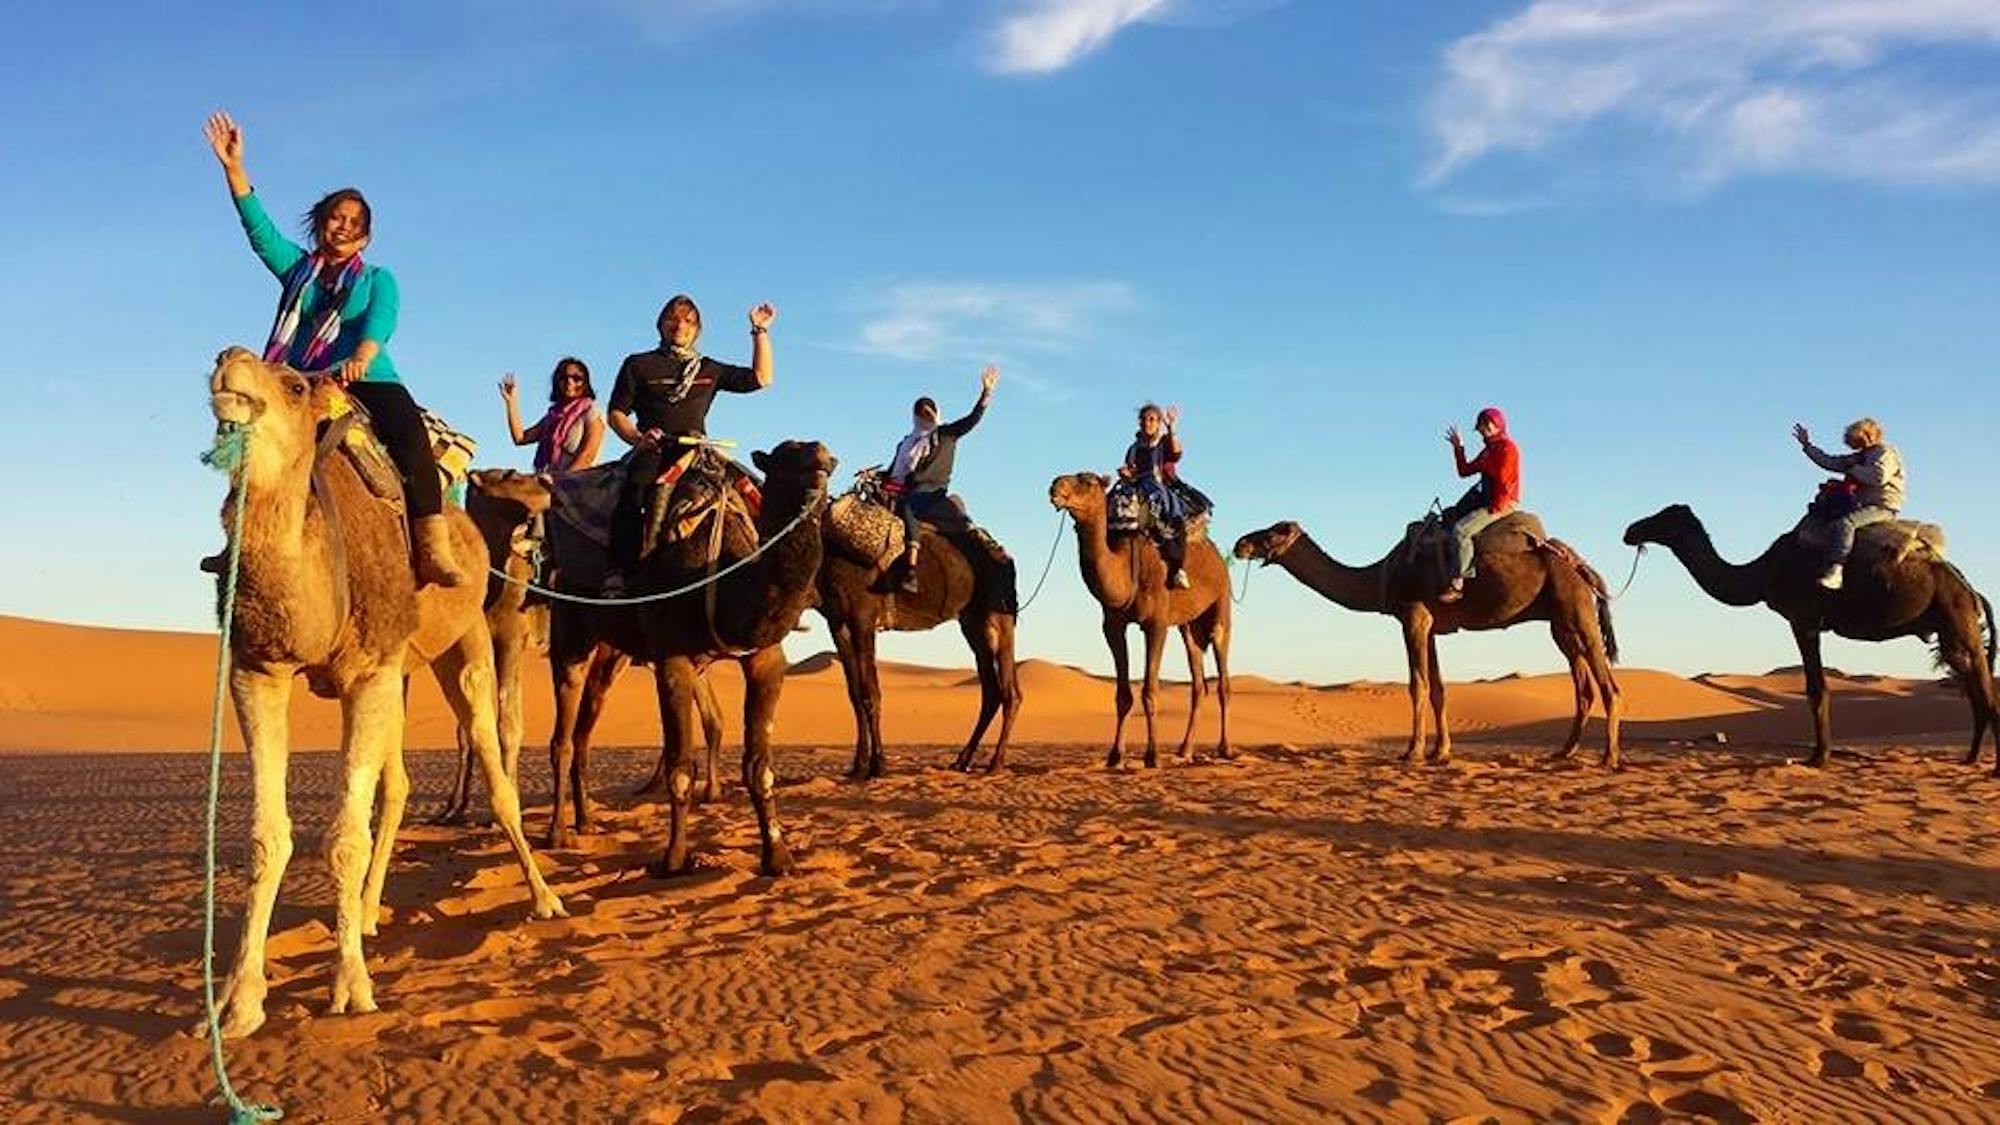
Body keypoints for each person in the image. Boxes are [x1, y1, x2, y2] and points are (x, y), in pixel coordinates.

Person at [202, 110, 464, 586]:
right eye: (335, 218)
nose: (342, 226)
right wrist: (234, 169)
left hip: (366, 379)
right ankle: (239, 543)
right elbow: (260, 234)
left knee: (412, 443)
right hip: (298, 381)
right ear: (320, 225)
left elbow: (380, 320)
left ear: (364, 234)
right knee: (246, 440)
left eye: (353, 221)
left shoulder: (377, 279)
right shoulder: (297, 270)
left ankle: (432, 547)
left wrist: (361, 357)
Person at [607, 294, 777, 564]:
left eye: (688, 320)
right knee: (634, 492)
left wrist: (760, 330)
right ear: (660, 325)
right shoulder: (638, 364)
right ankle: (620, 571)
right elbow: (616, 413)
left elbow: (762, 378)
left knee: (756, 496)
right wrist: (637, 439)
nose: (680, 325)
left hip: (698, 451)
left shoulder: (709, 368)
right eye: (672, 318)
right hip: (655, 449)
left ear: (697, 330)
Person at [886, 365, 999, 593]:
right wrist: (875, 477)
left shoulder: (946, 434)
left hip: (930, 490)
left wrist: (986, 393)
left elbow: (972, 420)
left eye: (928, 412)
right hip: (903, 487)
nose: (925, 416)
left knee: (907, 509)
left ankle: (911, 570)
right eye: (921, 413)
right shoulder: (907, 442)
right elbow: (893, 472)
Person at [1792, 417, 1905, 589]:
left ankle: (1836, 569)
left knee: (1845, 525)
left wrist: (1852, 469)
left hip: (1882, 506)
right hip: (1861, 504)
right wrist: (1807, 446)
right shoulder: (1861, 456)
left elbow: (1878, 477)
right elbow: (1829, 462)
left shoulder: (1885, 452)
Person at [1116, 403, 1211, 589]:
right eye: (1144, 419)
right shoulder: (1133, 449)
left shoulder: (1164, 442)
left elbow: (1176, 454)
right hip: (1138, 488)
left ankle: (1178, 568)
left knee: (1172, 518)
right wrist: (1127, 475)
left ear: (1158, 422)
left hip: (1162, 489)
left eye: (1152, 419)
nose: (1147, 423)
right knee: (1113, 505)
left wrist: (1171, 428)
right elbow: (1132, 471)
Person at [1439, 406, 1521, 603]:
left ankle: (1458, 583)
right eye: (1481, 427)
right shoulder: (1488, 451)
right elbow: (1465, 471)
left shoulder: (1507, 448)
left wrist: (1496, 507)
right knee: (1450, 517)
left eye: (1487, 425)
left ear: (1498, 425)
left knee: (1461, 531)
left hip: (1501, 502)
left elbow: (1504, 481)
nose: (1484, 429)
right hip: (1485, 497)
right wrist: (1458, 448)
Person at [500, 357, 605, 474]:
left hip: (578, 485)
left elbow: (587, 455)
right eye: (564, 378)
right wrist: (511, 402)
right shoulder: (552, 417)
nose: (570, 382)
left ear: (585, 383)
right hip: (548, 482)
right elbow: (520, 438)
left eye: (576, 378)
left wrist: (560, 483)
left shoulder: (591, 413)